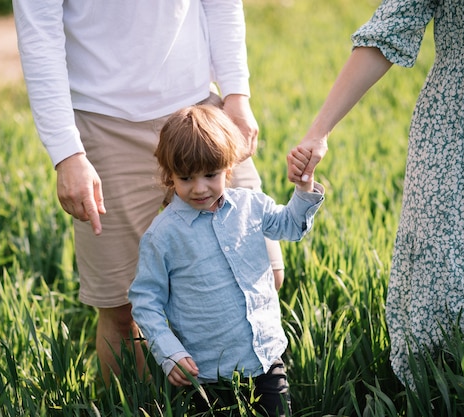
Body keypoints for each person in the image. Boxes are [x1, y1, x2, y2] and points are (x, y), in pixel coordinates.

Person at [12, 0, 286, 385]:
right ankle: (148, 405)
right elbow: (38, 34)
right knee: (120, 308)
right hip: (105, 123)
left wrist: (237, 93)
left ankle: (234, 390)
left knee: (268, 271)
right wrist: (67, 153)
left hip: (199, 114)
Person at [289, 0, 464, 386]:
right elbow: (388, 28)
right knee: (446, 267)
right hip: (458, 117)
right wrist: (319, 131)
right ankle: (442, 392)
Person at [128, 104, 325, 416]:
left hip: (265, 359)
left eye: (210, 174)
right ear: (169, 176)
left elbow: (290, 226)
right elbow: (145, 301)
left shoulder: (251, 206)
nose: (200, 188)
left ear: (228, 167)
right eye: (186, 177)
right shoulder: (162, 235)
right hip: (206, 372)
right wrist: (169, 353)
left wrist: (303, 188)